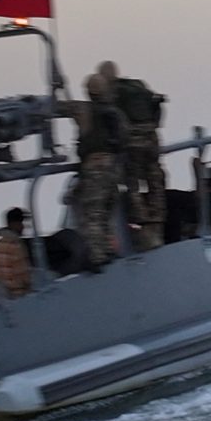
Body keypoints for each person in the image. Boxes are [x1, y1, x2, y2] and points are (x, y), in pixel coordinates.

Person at [100, 61, 168, 251]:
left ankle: (142, 223)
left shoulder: (112, 93)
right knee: (155, 179)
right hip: (152, 137)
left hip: (132, 142)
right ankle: (157, 221)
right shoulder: (137, 85)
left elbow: (111, 121)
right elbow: (156, 106)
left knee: (132, 184)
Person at [64, 71, 128, 268]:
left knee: (93, 213)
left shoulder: (85, 111)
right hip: (112, 168)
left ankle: (98, 257)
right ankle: (107, 250)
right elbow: (124, 138)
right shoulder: (114, 113)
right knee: (106, 212)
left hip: (95, 168)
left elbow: (65, 109)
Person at [0, 206, 34, 299]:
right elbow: (24, 276)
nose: (23, 227)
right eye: (21, 222)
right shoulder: (15, 244)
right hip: (16, 296)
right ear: (14, 224)